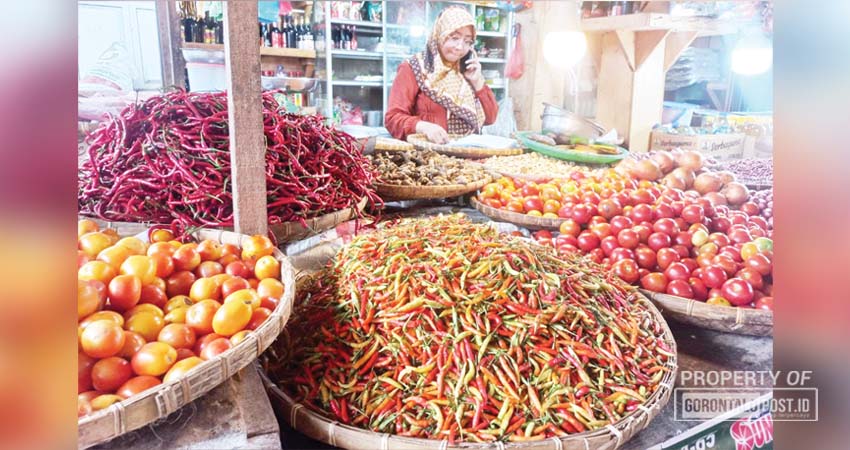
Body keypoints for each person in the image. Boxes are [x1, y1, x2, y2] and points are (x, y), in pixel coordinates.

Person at [385, 7, 499, 143]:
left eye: (467, 41)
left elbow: (490, 118)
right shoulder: (415, 68)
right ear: (440, 35)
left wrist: (478, 82)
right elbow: (392, 118)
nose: (460, 47)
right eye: (454, 38)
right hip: (427, 153)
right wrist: (423, 126)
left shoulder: (466, 70)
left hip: (467, 153)